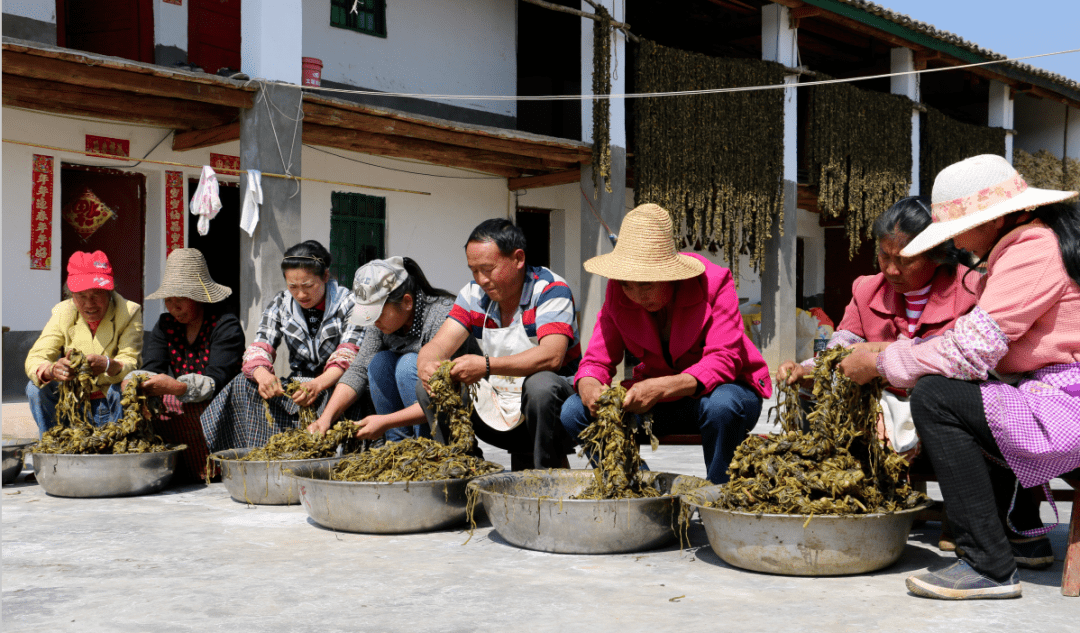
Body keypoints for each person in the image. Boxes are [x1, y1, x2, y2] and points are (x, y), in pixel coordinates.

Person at [839, 154, 1080, 600]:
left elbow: (970, 349)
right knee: (971, 394)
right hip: (1059, 397)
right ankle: (1015, 535)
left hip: (1069, 404)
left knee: (937, 396)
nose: (955, 241)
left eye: (956, 229)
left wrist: (882, 361)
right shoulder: (1030, 244)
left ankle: (986, 563)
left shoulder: (1033, 249)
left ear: (995, 218)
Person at [561, 203, 771, 484]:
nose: (635, 295)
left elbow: (724, 359)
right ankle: (641, 486)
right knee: (573, 411)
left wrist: (662, 386)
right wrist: (588, 384)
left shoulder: (715, 283)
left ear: (672, 275)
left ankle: (721, 494)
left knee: (721, 405)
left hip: (723, 394)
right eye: (627, 284)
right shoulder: (617, 290)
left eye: (646, 285)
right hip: (659, 399)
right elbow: (597, 360)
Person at [778, 196, 975, 461]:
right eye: (884, 255)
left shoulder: (972, 290)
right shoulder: (867, 290)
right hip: (875, 413)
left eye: (906, 260)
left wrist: (878, 359)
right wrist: (807, 369)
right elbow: (840, 347)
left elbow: (964, 361)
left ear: (937, 254)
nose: (892, 270)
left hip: (941, 413)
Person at [415, 219, 580, 469]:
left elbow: (552, 356)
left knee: (541, 385)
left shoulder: (550, 290)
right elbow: (438, 345)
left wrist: (486, 366)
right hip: (498, 406)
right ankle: (461, 470)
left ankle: (547, 476)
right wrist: (426, 364)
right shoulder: (473, 295)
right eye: (473, 270)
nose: (481, 279)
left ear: (518, 259)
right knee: (429, 385)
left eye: (488, 269)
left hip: (552, 414)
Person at [201, 240, 365, 452]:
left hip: (337, 384)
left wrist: (318, 384)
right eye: (293, 287)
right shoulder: (281, 304)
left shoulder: (349, 303)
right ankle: (255, 453)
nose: (301, 295)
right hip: (299, 385)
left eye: (308, 286)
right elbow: (259, 346)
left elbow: (348, 354)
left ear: (325, 277)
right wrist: (263, 375)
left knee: (346, 391)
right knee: (243, 384)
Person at [308, 257, 474, 441]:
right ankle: (397, 446)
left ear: (407, 302)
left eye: (377, 313)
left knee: (407, 364)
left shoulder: (442, 314)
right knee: (379, 363)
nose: (374, 321)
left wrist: (385, 421)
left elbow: (440, 393)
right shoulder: (379, 324)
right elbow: (358, 369)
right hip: (401, 417)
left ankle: (426, 444)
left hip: (450, 407)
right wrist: (325, 419)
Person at [125, 249, 244, 482]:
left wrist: (178, 388)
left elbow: (218, 379)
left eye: (181, 299)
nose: (173, 306)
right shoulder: (165, 325)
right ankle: (172, 468)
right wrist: (133, 382)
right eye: (168, 299)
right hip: (182, 401)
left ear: (200, 297)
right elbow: (152, 365)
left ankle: (214, 470)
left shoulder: (225, 324)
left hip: (220, 406)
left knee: (174, 399)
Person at [25, 251, 142, 435]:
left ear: (109, 293)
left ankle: (122, 441)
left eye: (97, 294)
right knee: (35, 387)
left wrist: (109, 364)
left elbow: (131, 361)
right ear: (71, 295)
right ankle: (52, 440)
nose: (89, 304)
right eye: (81, 296)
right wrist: (52, 370)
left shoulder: (128, 311)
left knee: (126, 385)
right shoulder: (63, 312)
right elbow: (36, 357)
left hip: (110, 403)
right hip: (73, 405)